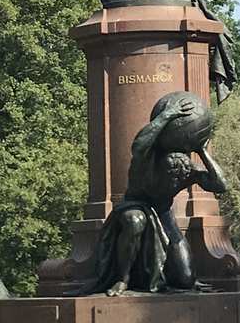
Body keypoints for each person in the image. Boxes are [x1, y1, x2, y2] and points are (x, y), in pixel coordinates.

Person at [85, 93, 227, 296]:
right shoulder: (146, 161)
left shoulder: (185, 172)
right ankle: (121, 279)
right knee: (134, 220)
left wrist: (202, 151)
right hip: (134, 205)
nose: (174, 181)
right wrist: (168, 115)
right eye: (170, 176)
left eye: (178, 179)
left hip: (163, 214)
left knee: (185, 279)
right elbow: (140, 143)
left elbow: (221, 185)